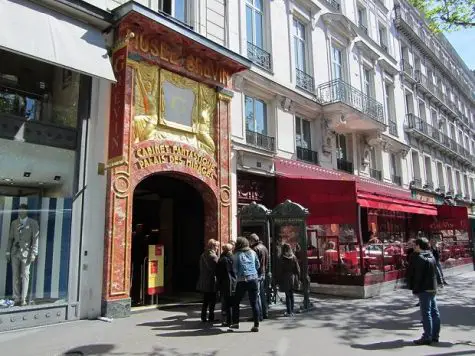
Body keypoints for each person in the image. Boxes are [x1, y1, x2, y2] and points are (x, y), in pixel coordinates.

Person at [408, 238, 441, 345]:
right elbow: (436, 270)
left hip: (424, 288)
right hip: (433, 287)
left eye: (414, 244)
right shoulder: (430, 255)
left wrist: (415, 289)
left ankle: (427, 336)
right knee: (434, 311)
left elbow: (417, 276)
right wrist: (440, 283)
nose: (413, 246)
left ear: (418, 246)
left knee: (426, 313)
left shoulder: (418, 258)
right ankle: (435, 335)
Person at [6, 203, 39, 306]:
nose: (21, 212)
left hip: (26, 253)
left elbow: (35, 239)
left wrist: (34, 253)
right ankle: (16, 297)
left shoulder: (33, 223)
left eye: (23, 210)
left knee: (25, 275)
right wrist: (7, 251)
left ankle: (23, 299)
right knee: (15, 275)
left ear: (26, 211)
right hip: (15, 253)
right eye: (20, 210)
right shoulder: (14, 223)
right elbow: (10, 238)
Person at [230, 237, 260, 332]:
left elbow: (234, 269)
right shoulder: (253, 252)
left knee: (236, 302)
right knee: (254, 302)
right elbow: (257, 265)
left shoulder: (236, 255)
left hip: (242, 280)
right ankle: (256, 325)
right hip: (254, 279)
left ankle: (235, 323)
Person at [196, 239, 219, 322]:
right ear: (212, 246)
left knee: (205, 300)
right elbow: (217, 268)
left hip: (204, 280)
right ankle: (211, 317)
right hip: (211, 281)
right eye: (216, 246)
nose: (217, 248)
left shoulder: (203, 255)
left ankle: (203, 316)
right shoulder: (213, 256)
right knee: (212, 300)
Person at [249, 233, 269, 320]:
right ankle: (265, 313)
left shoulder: (254, 249)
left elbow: (254, 263)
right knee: (262, 294)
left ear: (252, 240)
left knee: (256, 295)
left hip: (257, 273)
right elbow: (267, 261)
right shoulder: (264, 247)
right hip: (263, 272)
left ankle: (258, 315)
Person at [277, 243, 301, 317]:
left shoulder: (281, 257)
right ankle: (292, 310)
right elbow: (297, 269)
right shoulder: (293, 257)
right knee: (291, 294)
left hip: (285, 277)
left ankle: (289, 311)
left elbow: (279, 270)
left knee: (287, 295)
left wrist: (278, 280)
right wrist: (299, 278)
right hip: (292, 277)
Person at [216, 243, 236, 327]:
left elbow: (219, 273)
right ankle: (233, 321)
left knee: (226, 303)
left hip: (225, 283)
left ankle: (228, 321)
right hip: (234, 282)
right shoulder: (234, 258)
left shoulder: (222, 260)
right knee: (233, 303)